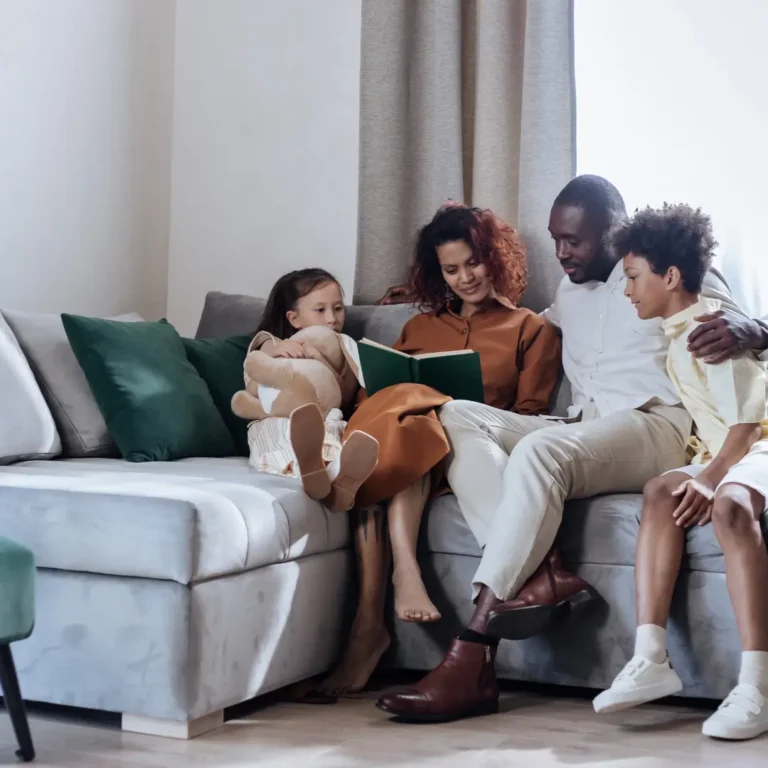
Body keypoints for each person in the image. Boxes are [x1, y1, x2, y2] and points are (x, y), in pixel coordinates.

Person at [376, 175, 768, 724]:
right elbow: (522, 326)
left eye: (574, 241)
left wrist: (757, 327)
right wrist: (434, 302)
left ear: (614, 232)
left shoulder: (660, 274)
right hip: (584, 427)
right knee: (455, 415)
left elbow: (737, 333)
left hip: (657, 424)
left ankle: (474, 644)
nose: (561, 252)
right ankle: (540, 576)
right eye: (556, 238)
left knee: (542, 453)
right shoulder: (567, 292)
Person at [319, 203, 562, 696]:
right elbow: (376, 396)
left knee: (416, 422)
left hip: (464, 451)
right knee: (402, 420)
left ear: (495, 258)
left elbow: (529, 418)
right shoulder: (419, 328)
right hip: (404, 448)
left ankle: (384, 601)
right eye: (451, 270)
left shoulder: (531, 328)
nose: (465, 278)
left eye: (474, 263)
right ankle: (373, 621)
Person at [592, 204, 768, 741]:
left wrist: (711, 478)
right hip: (734, 445)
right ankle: (650, 657)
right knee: (659, 491)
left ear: (670, 277)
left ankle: (756, 687)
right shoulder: (679, 332)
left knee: (731, 505)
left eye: (633, 277)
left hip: (761, 443)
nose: (627, 291)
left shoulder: (710, 331)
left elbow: (746, 427)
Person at [243, 268, 378, 510]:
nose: (332, 319)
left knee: (334, 427)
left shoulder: (345, 348)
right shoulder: (271, 343)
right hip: (278, 418)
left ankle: (330, 477)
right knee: (288, 429)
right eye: (320, 310)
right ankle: (313, 468)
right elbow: (253, 383)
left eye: (338, 308)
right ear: (294, 318)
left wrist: (320, 357)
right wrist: (275, 353)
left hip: (325, 418)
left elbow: (340, 396)